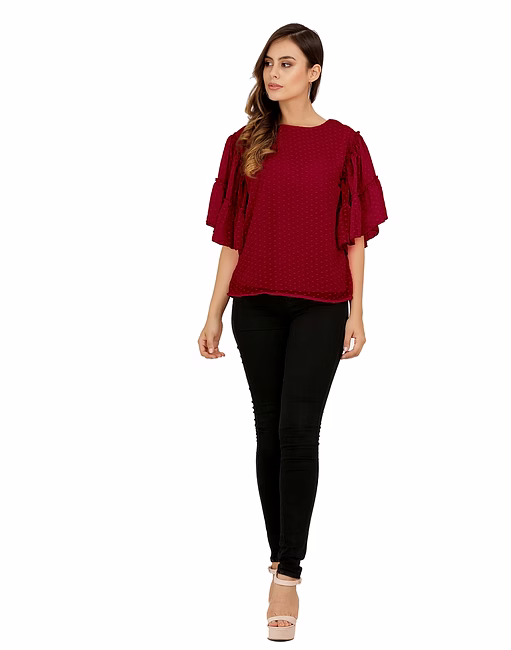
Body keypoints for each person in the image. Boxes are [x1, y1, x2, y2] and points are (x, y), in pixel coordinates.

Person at [197, 23, 388, 641]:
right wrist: (213, 311)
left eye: (286, 64)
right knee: (269, 429)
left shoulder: (344, 143)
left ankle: (288, 575)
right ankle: (279, 552)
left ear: (314, 72)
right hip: (255, 302)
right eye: (268, 64)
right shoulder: (244, 143)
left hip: (322, 305)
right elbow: (231, 239)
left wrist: (357, 311)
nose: (273, 74)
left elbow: (355, 236)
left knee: (298, 430)